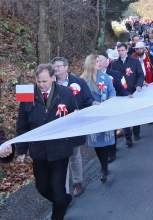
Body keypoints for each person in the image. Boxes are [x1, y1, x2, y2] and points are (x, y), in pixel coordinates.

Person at [16, 64, 75, 220]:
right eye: (38, 81)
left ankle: (58, 213)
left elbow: (75, 119)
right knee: (42, 187)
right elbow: (22, 123)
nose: (41, 85)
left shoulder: (66, 93)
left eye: (44, 81)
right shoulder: (26, 93)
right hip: (38, 151)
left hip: (60, 150)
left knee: (57, 189)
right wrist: (21, 150)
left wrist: (74, 140)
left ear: (53, 78)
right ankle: (63, 200)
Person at [51, 57, 94, 197]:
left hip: (75, 125)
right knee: (61, 158)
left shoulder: (78, 82)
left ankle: (77, 182)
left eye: (59, 66)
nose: (56, 69)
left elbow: (88, 100)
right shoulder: (49, 84)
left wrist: (82, 111)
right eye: (54, 67)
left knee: (74, 155)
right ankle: (64, 192)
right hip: (57, 127)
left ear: (66, 67)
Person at [81, 54, 116, 183]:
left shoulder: (105, 77)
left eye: (99, 61)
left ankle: (105, 167)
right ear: (90, 63)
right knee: (97, 143)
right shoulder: (83, 80)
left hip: (105, 114)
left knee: (105, 142)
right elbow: (81, 97)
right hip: (92, 116)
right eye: (96, 61)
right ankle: (103, 165)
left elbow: (112, 91)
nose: (98, 63)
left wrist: (111, 101)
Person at [109, 43, 145, 147]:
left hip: (134, 91)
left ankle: (136, 131)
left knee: (135, 114)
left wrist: (139, 85)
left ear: (126, 50)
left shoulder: (134, 61)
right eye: (119, 50)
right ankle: (128, 138)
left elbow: (140, 75)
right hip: (122, 93)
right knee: (125, 116)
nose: (121, 52)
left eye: (122, 50)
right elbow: (114, 78)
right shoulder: (115, 64)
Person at [98, 54, 130, 162]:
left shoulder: (115, 74)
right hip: (99, 107)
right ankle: (105, 151)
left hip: (114, 105)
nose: (98, 62)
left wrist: (127, 95)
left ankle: (112, 152)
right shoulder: (92, 76)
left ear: (107, 62)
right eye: (96, 60)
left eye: (101, 60)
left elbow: (122, 88)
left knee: (112, 128)